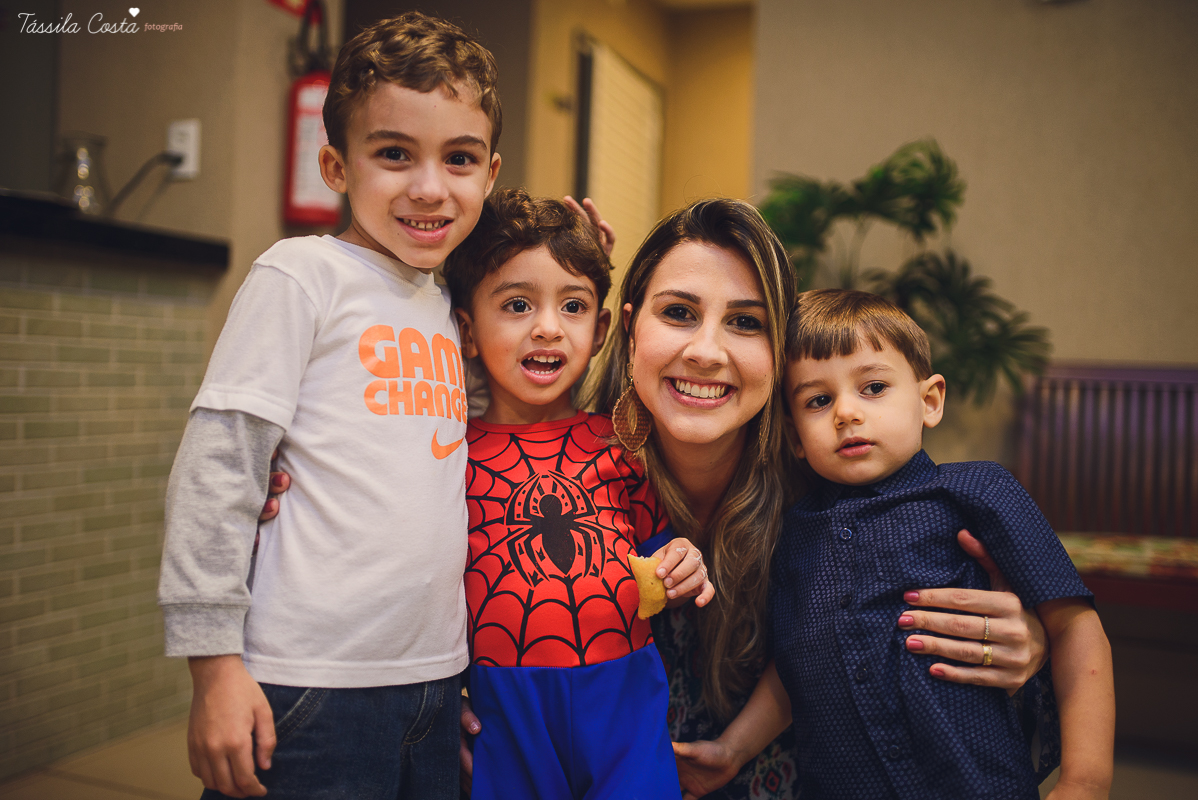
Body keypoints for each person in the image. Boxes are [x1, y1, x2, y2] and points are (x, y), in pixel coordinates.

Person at [579, 200, 1056, 800]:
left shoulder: (834, 491)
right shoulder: (561, 473)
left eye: (746, 323)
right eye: (678, 313)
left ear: (780, 352)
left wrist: (1027, 646)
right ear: (629, 328)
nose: (706, 350)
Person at [157, 13, 502, 798]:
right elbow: (220, 467)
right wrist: (213, 668)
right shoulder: (301, 275)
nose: (428, 186)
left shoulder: (449, 302)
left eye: (459, 159)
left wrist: (560, 254)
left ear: (489, 173)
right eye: (393, 154)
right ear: (336, 166)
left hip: (436, 681)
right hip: (304, 686)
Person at [765, 289, 1114, 799]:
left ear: (929, 401)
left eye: (874, 387)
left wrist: (1086, 781)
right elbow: (789, 671)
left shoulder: (979, 491)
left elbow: (1075, 627)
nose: (845, 412)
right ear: (796, 437)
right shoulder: (792, 536)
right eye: (818, 400)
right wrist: (731, 749)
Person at [443, 188, 715, 799]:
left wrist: (681, 564)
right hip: (503, 704)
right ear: (465, 329)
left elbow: (660, 546)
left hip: (625, 695)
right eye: (516, 304)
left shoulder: (621, 441)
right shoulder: (446, 456)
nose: (547, 328)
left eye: (572, 307)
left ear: (598, 331)